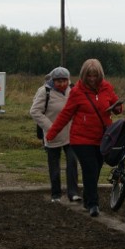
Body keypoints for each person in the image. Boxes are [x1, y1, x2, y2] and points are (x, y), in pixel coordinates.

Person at [46, 59, 122, 217]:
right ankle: (93, 204)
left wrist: (117, 107)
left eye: (95, 75)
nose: (92, 79)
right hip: (81, 139)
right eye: (89, 76)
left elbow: (117, 106)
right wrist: (51, 134)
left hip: (102, 137)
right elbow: (66, 114)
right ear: (83, 75)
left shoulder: (107, 87)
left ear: (100, 75)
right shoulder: (77, 91)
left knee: (96, 170)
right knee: (90, 169)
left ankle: (88, 199)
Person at [30, 67, 81, 203]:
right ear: (53, 80)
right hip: (52, 134)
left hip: (71, 133)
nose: (62, 84)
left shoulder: (73, 89)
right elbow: (35, 111)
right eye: (59, 81)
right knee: (54, 165)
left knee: (72, 162)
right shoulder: (44, 91)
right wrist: (51, 128)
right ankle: (56, 194)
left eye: (64, 80)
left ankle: (73, 192)